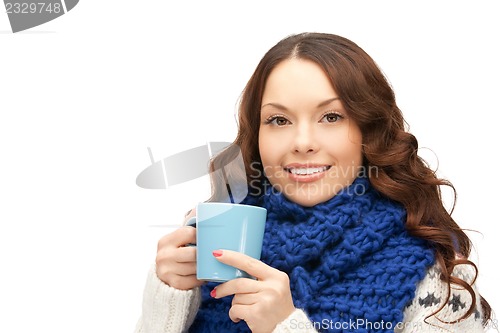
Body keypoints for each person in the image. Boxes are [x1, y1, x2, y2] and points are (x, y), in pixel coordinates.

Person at [134, 32, 492, 333]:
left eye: (331, 116)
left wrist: (285, 325)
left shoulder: (437, 277)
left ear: (369, 129)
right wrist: (167, 298)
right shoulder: (219, 239)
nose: (302, 142)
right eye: (278, 120)